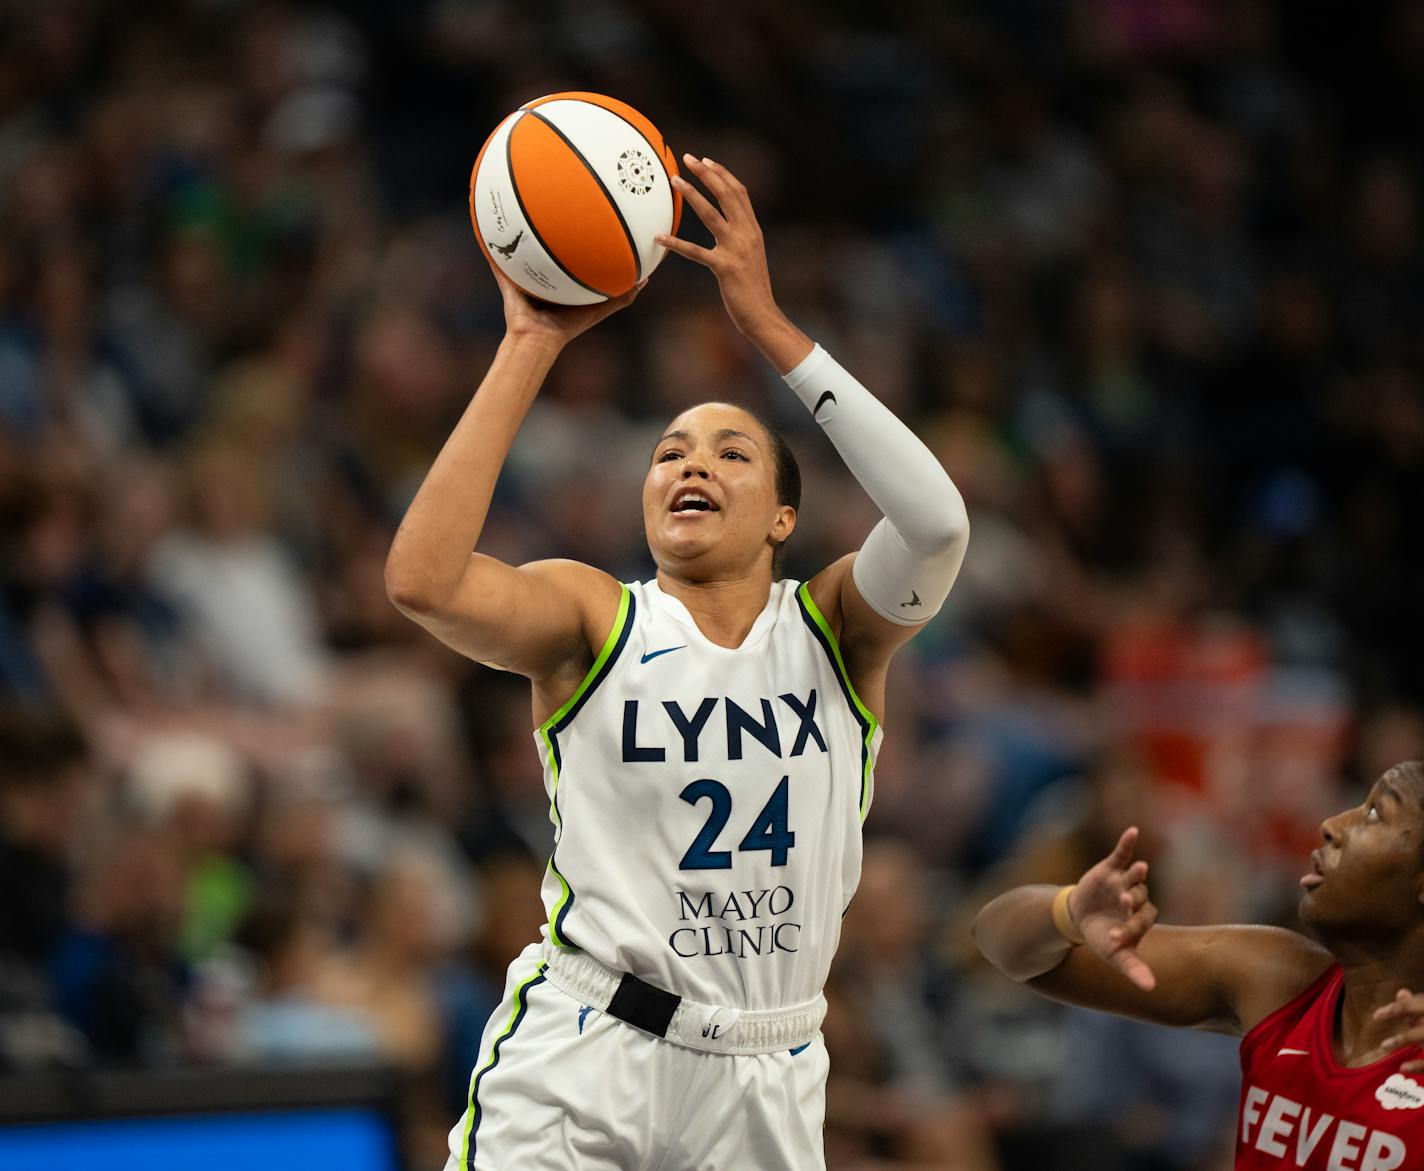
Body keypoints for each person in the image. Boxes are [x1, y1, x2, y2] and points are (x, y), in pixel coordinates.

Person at [385, 153, 970, 1170]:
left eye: (730, 451)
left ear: (785, 516)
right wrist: (530, 340)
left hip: (769, 1068)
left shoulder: (834, 626)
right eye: (667, 451)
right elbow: (423, 581)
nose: (690, 461)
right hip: (586, 1051)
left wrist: (771, 331)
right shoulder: (593, 614)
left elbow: (934, 523)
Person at [972, 759, 1424, 1171]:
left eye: (1373, 814)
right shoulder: (1274, 977)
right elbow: (997, 939)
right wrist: (1068, 913)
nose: (1331, 825)